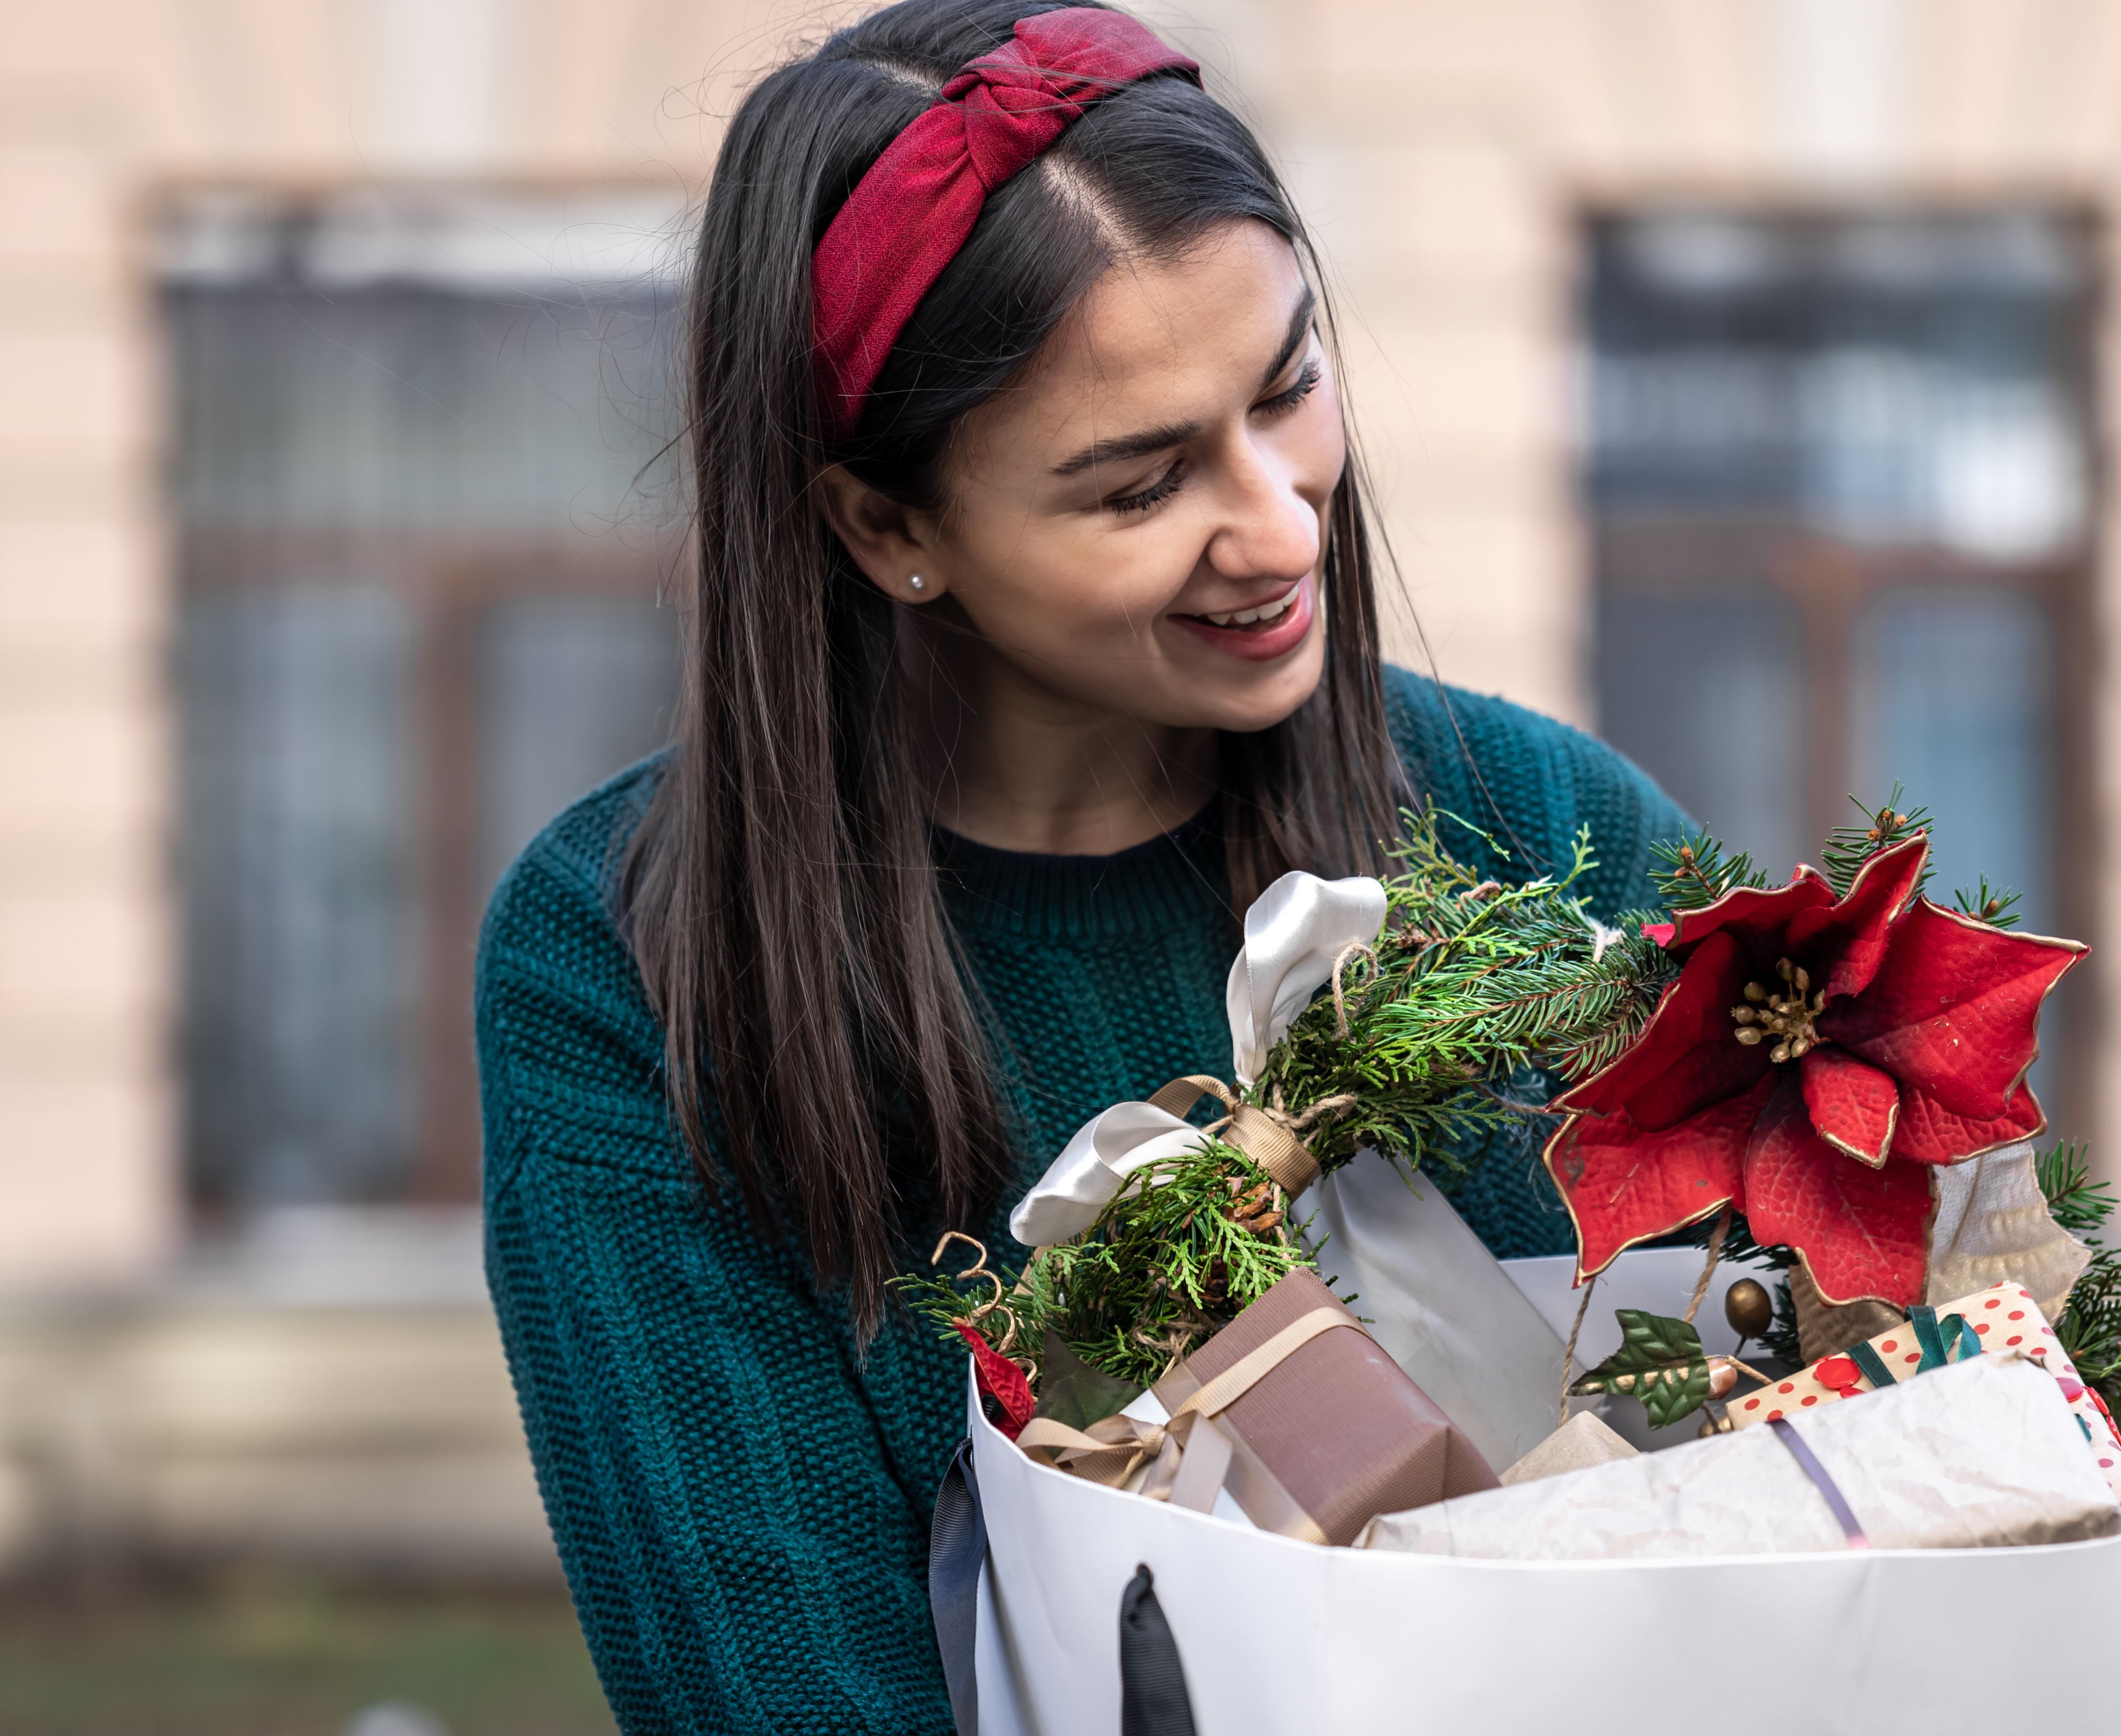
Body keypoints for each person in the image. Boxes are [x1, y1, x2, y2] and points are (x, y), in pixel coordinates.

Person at [475, 2, 1690, 1728]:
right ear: (886, 527)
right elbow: (772, 1680)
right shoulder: (634, 972)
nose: (1279, 527)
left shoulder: (1532, 823)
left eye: (1287, 387)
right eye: (1139, 486)